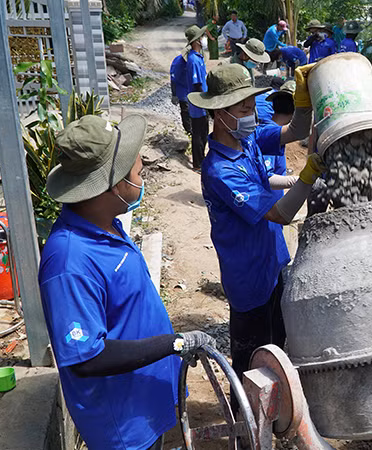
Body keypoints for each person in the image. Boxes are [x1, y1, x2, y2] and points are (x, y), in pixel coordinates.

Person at [39, 114, 216, 450]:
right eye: (137, 172)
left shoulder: (107, 224)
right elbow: (87, 357)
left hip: (143, 401)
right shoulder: (69, 262)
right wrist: (174, 344)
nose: (142, 178)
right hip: (124, 426)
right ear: (113, 185)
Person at [188, 63, 322, 396]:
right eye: (244, 109)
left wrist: (303, 98)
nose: (251, 114)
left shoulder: (245, 140)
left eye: (252, 107)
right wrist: (308, 176)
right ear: (220, 113)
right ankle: (245, 420)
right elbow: (280, 213)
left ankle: (273, 410)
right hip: (248, 276)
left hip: (272, 260)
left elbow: (294, 130)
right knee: (251, 361)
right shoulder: (220, 171)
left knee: (277, 344)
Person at [256, 81, 299, 203]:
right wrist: (301, 181)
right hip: (266, 208)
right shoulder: (270, 136)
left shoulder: (271, 130)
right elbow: (267, 178)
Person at [186, 25, 209, 170]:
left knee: (204, 132)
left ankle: (201, 158)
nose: (203, 39)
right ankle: (198, 163)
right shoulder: (193, 60)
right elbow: (197, 84)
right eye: (201, 37)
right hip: (198, 103)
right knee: (199, 134)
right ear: (196, 41)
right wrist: (205, 100)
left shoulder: (198, 58)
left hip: (201, 102)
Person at [170, 48, 191, 135]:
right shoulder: (178, 63)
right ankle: (188, 131)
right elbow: (173, 79)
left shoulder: (196, 60)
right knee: (186, 110)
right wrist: (174, 94)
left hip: (192, 88)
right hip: (182, 89)